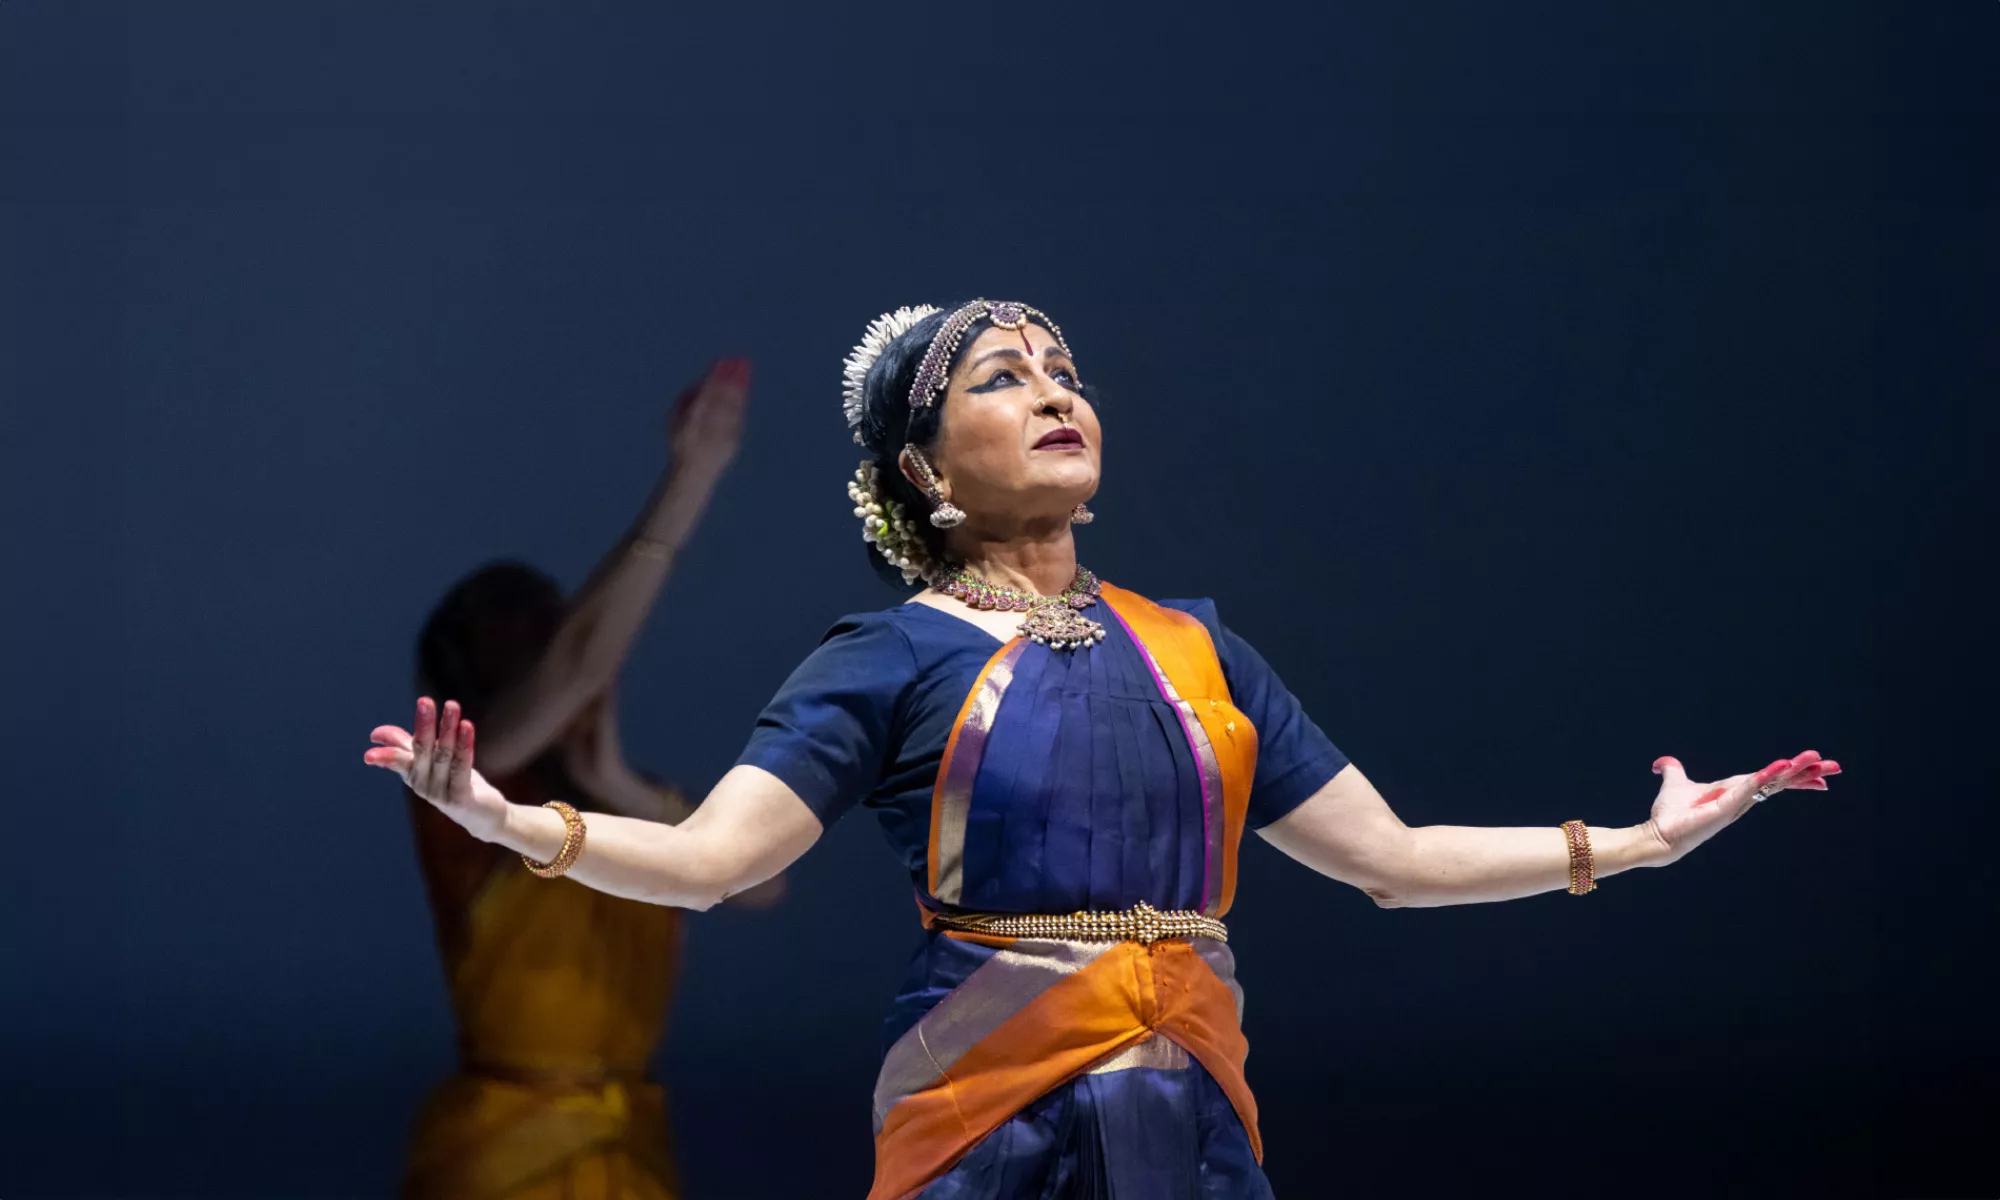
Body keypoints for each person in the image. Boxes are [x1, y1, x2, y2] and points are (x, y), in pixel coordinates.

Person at [364, 301, 1840, 1200]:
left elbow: (1392, 861)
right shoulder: (887, 658)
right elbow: (709, 866)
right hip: (986, 1114)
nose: (1055, 388)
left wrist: (1637, 843)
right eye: (1000, 377)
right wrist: (509, 822)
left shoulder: (1202, 652)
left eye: (1061, 365)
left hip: (1190, 1107)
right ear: (929, 475)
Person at [397, 357, 763, 1200]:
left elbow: (759, 881)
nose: (584, 671)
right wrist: (693, 474)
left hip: (627, 1154)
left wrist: (627, 787)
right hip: (500, 1158)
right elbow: (576, 668)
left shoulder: (634, 801)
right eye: (521, 649)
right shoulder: (460, 788)